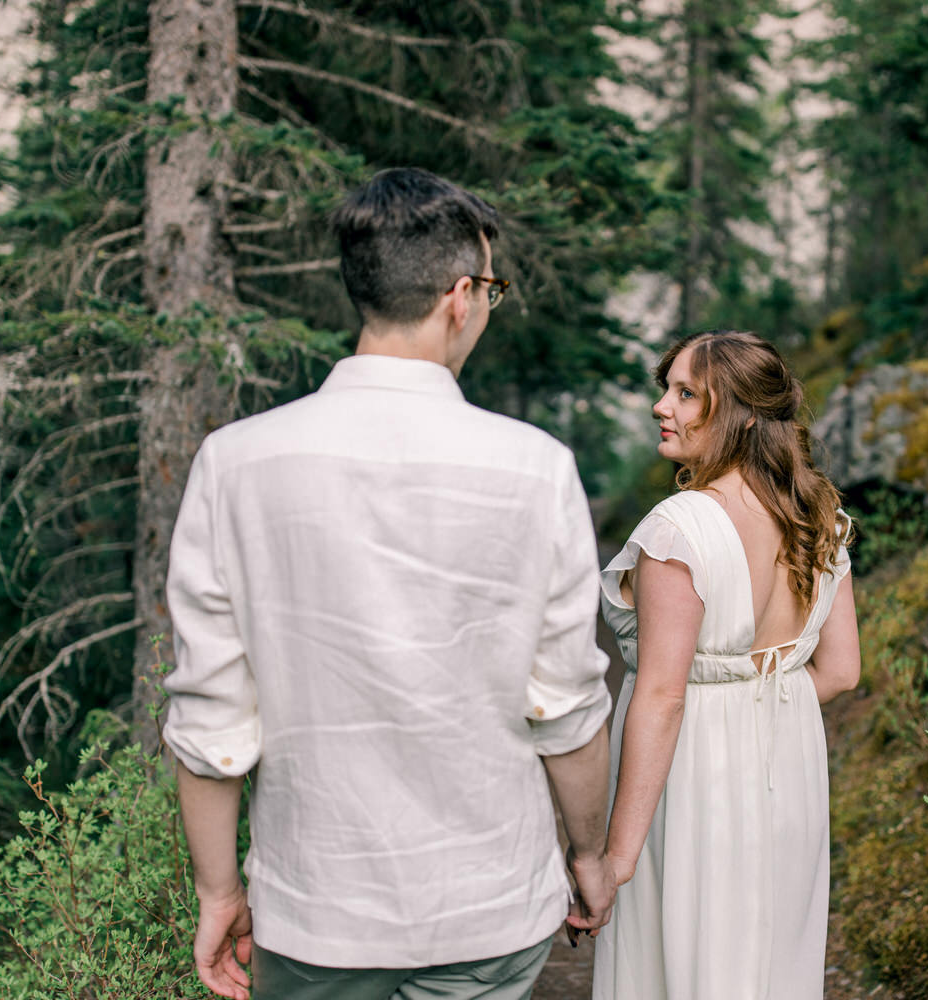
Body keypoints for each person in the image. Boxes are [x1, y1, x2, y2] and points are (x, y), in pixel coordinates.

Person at [162, 166, 616, 1000]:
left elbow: (212, 718)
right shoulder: (537, 470)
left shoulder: (235, 464)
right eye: (491, 290)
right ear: (460, 295)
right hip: (488, 904)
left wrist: (219, 891)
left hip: (317, 908)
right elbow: (568, 705)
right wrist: (588, 853)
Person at [588, 329, 863, 999]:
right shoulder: (817, 517)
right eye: (666, 389)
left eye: (685, 393)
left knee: (680, 954)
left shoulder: (677, 529)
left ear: (735, 413)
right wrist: (764, 704)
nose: (662, 406)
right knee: (768, 958)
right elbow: (841, 671)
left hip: (693, 775)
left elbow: (660, 696)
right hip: (788, 767)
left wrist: (617, 857)